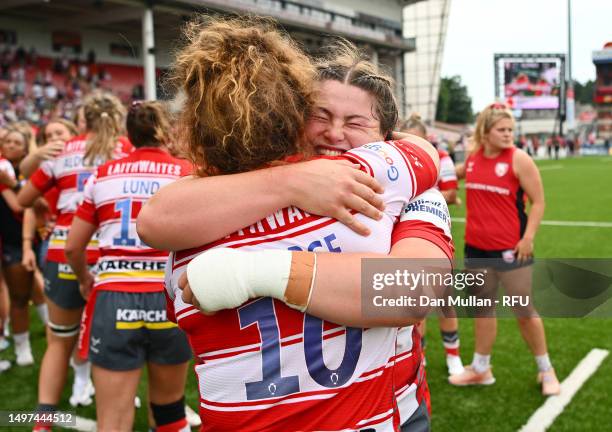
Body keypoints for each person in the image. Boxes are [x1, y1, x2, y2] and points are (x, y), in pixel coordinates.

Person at [138, 20, 450, 431]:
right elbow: (154, 218)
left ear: (387, 137)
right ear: (293, 114)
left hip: (396, 405)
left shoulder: (404, 189)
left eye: (356, 123)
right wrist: (290, 182)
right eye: (319, 114)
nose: (334, 133)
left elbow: (413, 290)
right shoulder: (219, 203)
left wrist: (258, 271)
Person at [65, 101, 193, 432]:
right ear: (166, 130)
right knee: (170, 413)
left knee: (113, 419)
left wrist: (84, 280)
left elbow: (73, 246)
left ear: (129, 134)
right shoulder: (187, 173)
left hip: (114, 297)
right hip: (168, 298)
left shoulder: (103, 174)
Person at [17, 91, 133, 430]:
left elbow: (23, 199)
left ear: (83, 120)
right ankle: (110, 410)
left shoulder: (63, 151)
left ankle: (42, 421)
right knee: (111, 342)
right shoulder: (128, 150)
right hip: (115, 257)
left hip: (64, 251)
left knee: (59, 339)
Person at [450, 102, 560, 396]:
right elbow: (450, 176)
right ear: (485, 131)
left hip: (512, 250)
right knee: (482, 310)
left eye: (511, 129)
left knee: (524, 311)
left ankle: (545, 369)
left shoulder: (519, 160)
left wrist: (529, 237)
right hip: (475, 248)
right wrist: (447, 191)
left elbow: (538, 202)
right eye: (502, 129)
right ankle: (481, 368)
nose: (509, 134)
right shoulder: (472, 159)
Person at [400, 113, 464, 376]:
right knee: (417, 304)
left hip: (436, 236)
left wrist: (412, 197)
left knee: (445, 301)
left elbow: (450, 191)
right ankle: (420, 356)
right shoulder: (395, 159)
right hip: (402, 240)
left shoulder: (441, 158)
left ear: (427, 140)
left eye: (418, 141)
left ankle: (454, 357)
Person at [0, 125, 42, 367]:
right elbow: (20, 205)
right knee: (18, 296)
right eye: (9, 142)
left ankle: (53, 334)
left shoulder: (30, 171)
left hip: (39, 237)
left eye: (18, 142)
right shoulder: (2, 172)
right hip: (13, 240)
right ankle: (22, 348)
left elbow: (41, 204)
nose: (12, 145)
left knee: (40, 289)